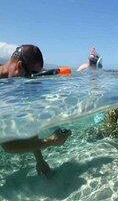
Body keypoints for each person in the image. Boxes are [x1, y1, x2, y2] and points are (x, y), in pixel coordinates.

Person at [0, 44, 72, 177]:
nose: (29, 82)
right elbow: (8, 145)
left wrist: (40, 160)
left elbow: (29, 125)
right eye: (29, 75)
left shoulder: (13, 85)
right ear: (19, 66)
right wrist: (50, 141)